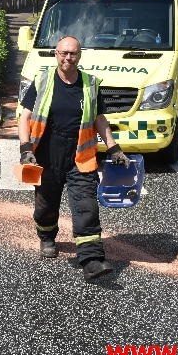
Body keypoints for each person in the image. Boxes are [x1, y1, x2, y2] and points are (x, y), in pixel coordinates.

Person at [17, 35, 129, 281]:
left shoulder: (90, 84)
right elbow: (24, 117)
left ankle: (91, 260)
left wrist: (113, 148)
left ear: (80, 55)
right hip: (46, 155)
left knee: (86, 207)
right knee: (45, 206)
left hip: (80, 156)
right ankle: (47, 236)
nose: (68, 58)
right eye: (64, 53)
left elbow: (99, 119)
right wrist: (26, 149)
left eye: (73, 54)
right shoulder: (43, 80)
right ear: (56, 54)